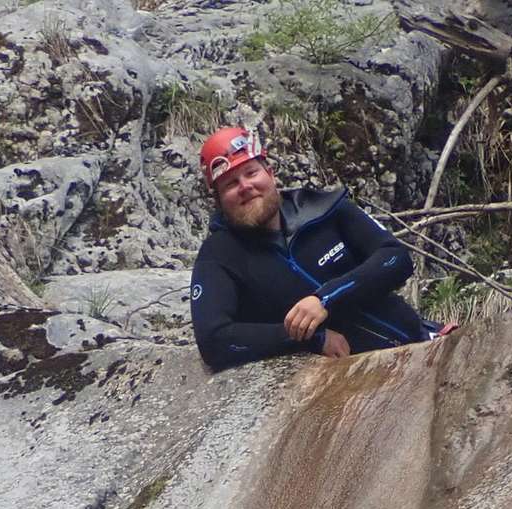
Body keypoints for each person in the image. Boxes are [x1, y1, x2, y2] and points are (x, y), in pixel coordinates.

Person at [189, 126, 449, 370]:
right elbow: (215, 340)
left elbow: (396, 258)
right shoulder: (219, 256)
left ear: (270, 174)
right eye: (231, 184)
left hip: (424, 342)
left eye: (251, 173)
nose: (245, 187)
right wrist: (308, 337)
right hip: (352, 381)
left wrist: (326, 298)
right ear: (218, 200)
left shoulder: (324, 209)